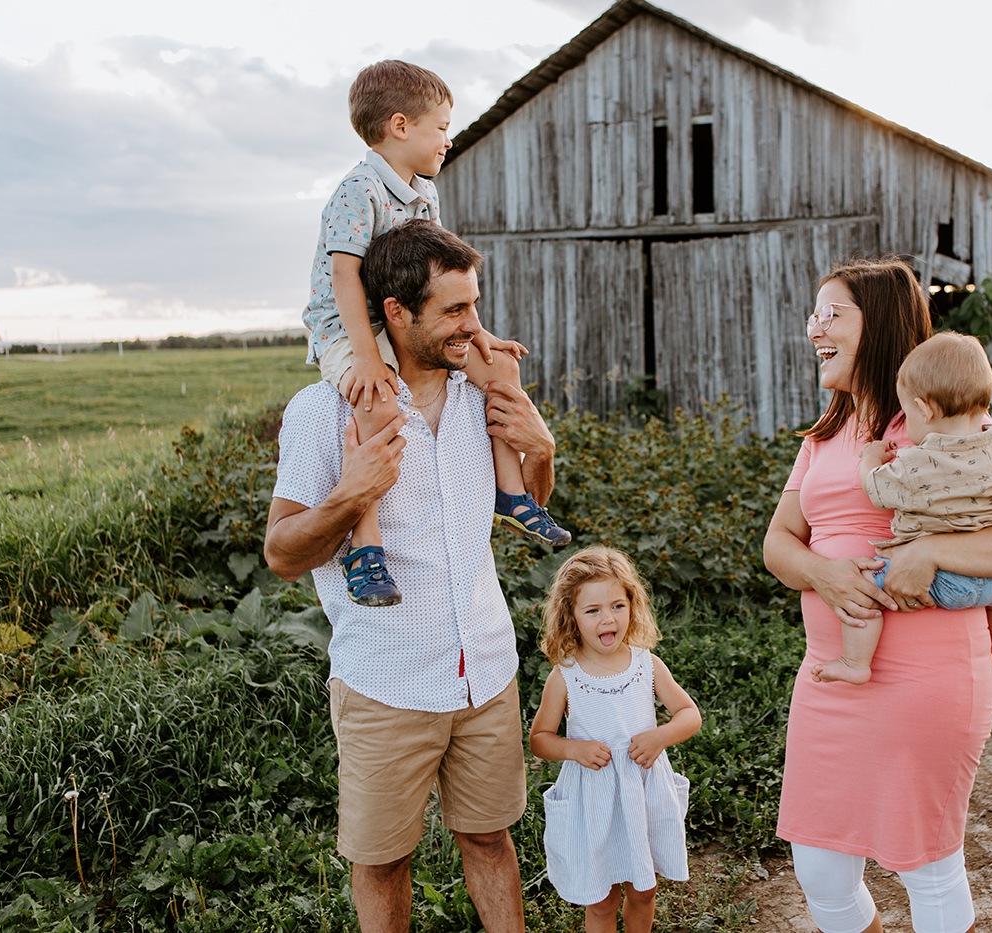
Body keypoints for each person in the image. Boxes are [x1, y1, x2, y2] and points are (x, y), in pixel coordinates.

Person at [762, 257, 992, 933]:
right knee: (819, 867)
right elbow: (779, 540)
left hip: (925, 676)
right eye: (814, 313)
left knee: (925, 863)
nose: (814, 327)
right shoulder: (825, 434)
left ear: (880, 326)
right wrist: (823, 573)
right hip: (834, 674)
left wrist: (932, 551)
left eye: (831, 313)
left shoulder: (939, 426)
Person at [265, 220, 552, 933]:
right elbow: (281, 552)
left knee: (489, 835)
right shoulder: (323, 412)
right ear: (397, 312)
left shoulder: (478, 395)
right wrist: (351, 492)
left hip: (486, 670)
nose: (473, 327)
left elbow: (529, 504)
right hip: (388, 682)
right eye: (454, 311)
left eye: (474, 305)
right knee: (384, 861)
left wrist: (541, 447)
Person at [302, 59, 568, 607]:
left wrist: (480, 332)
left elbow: (446, 278)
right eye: (442, 127)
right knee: (376, 401)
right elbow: (344, 277)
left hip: (408, 319)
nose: (448, 140)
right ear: (401, 126)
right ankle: (365, 546)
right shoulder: (358, 192)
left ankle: (512, 494)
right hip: (348, 325)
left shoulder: (423, 193)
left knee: (501, 369)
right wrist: (367, 358)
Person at [811, 331, 992, 690]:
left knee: (866, 590)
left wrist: (869, 460)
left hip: (939, 580)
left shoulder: (917, 463)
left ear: (925, 409)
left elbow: (877, 491)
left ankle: (855, 662)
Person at [529, 546, 701, 933]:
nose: (608, 618)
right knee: (603, 898)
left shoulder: (646, 664)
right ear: (571, 617)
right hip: (595, 799)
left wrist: (661, 737)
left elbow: (690, 715)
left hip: (641, 790)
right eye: (592, 611)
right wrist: (574, 749)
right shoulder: (566, 676)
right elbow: (539, 738)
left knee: (644, 890)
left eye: (617, 606)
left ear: (631, 605)